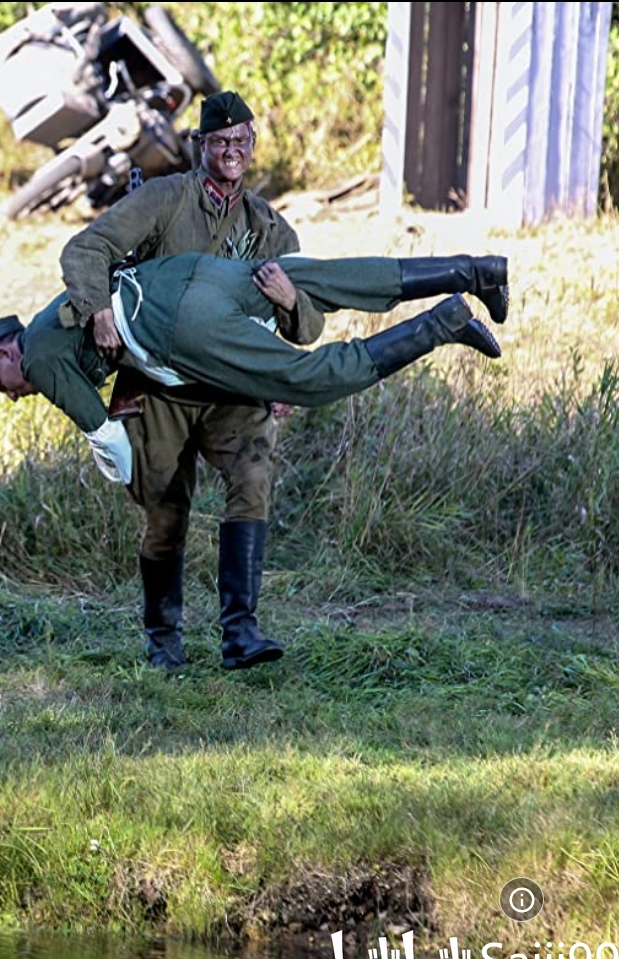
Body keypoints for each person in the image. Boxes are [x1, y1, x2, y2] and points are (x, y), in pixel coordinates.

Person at [56, 90, 509, 672]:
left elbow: (305, 330)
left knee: (252, 485)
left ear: (252, 145)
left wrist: (292, 304)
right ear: (200, 146)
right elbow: (87, 249)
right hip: (161, 388)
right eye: (219, 143)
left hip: (235, 392)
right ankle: (162, 636)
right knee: (165, 514)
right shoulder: (165, 200)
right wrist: (98, 310)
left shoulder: (270, 228)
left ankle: (239, 631)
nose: (230, 153)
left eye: (240, 142)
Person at [0, 251, 505, 488]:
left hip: (184, 324)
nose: (16, 397)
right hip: (194, 275)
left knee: (311, 379)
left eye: (5, 388)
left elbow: (107, 439)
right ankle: (476, 271)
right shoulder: (55, 316)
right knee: (332, 277)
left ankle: (445, 322)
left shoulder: (38, 356)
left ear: (5, 352)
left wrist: (123, 474)